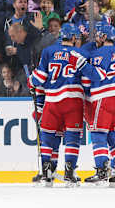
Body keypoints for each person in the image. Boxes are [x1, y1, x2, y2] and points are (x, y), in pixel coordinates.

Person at [27, 23, 88, 186]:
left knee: (47, 137)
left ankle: (46, 172)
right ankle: (69, 173)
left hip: (52, 100)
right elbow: (87, 81)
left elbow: (38, 79)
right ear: (74, 38)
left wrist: (30, 81)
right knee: (72, 138)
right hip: (73, 101)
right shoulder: (82, 53)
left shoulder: (48, 51)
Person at [80, 23, 115, 185]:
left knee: (98, 134)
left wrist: (84, 68)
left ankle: (102, 170)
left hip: (104, 96)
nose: (96, 38)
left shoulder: (98, 53)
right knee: (114, 134)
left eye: (98, 35)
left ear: (104, 37)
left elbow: (94, 76)